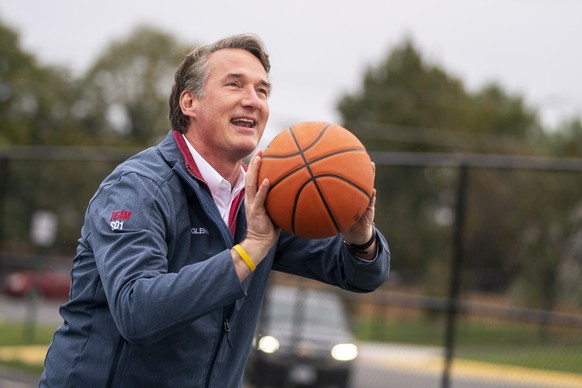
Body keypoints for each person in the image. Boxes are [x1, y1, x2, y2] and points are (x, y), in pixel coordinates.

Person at [40, 33, 390, 388]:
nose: (253, 101)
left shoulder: (264, 196)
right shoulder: (137, 188)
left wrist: (361, 240)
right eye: (234, 85)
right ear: (189, 102)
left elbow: (359, 275)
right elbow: (137, 311)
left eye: (262, 91)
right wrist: (248, 251)